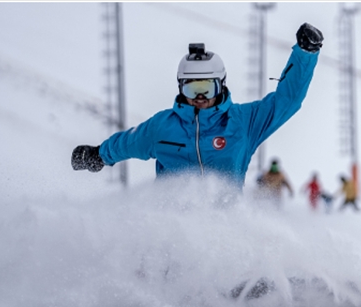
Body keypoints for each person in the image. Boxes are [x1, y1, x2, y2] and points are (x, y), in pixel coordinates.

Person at [72, 26, 322, 188]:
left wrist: (305, 54)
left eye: (208, 88)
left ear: (221, 85)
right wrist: (98, 155)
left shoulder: (244, 122)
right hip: (172, 231)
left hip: (226, 232)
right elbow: (129, 141)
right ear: (181, 88)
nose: (200, 97)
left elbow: (287, 101)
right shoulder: (163, 126)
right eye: (192, 88)